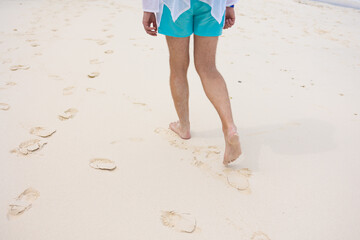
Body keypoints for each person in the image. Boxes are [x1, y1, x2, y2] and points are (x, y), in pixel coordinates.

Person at [142, 0, 241, 165]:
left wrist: (148, 8)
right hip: (212, 4)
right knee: (208, 69)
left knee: (178, 68)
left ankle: (184, 126)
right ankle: (230, 127)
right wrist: (229, 5)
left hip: (175, 5)